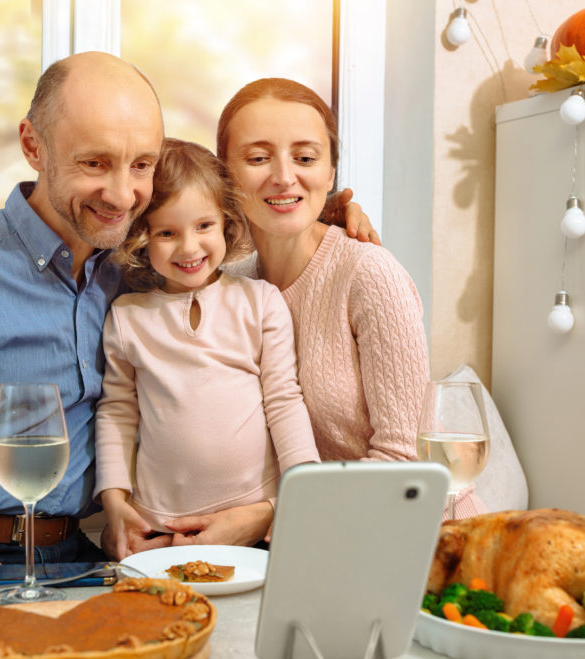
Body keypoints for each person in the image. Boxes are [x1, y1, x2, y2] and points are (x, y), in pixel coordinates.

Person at [0, 53, 369, 595]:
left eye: (141, 165)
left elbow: (219, 270)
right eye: (94, 162)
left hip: (83, 561)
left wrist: (326, 220)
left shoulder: (135, 272)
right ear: (33, 146)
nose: (122, 194)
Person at [165, 77, 486, 545]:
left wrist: (267, 516)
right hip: (312, 540)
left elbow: (404, 461)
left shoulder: (368, 274)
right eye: (257, 158)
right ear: (225, 175)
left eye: (305, 157)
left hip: (423, 543)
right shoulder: (232, 284)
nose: (283, 176)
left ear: (331, 171)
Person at [95, 138, 320, 560]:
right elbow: (118, 412)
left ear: (225, 223)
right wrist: (114, 499)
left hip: (253, 523)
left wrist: (300, 489)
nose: (189, 247)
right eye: (167, 232)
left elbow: (284, 400)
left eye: (204, 226)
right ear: (142, 238)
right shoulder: (128, 316)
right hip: (157, 528)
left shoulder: (260, 301)